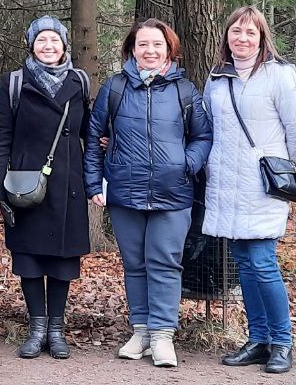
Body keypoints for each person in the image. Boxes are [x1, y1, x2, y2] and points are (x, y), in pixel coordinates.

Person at [83, 18, 212, 368]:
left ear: (169, 49)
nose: (150, 51)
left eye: (157, 44)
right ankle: (141, 332)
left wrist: (186, 163)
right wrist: (94, 184)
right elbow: (94, 138)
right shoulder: (115, 88)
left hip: (173, 194)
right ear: (132, 49)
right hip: (125, 192)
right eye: (143, 44)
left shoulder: (185, 90)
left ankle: (162, 336)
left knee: (165, 263)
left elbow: (203, 137)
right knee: (135, 264)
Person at [202, 6, 296, 374]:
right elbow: (208, 127)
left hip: (264, 185)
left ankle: (282, 341)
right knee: (245, 265)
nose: (243, 38)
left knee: (263, 262)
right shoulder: (217, 78)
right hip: (227, 185)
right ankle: (258, 339)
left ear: (263, 38)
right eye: (236, 31)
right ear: (227, 36)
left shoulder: (280, 76)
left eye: (251, 32)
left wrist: (283, 167)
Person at [0, 16, 91, 360]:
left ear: (64, 45)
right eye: (41, 40)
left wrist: (95, 174)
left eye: (54, 40)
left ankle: (57, 330)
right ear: (31, 45)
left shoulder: (79, 81)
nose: (48, 46)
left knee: (63, 259)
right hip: (26, 186)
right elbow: (0, 138)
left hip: (68, 184)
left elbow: (89, 133)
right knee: (29, 258)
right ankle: (37, 329)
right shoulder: (15, 82)